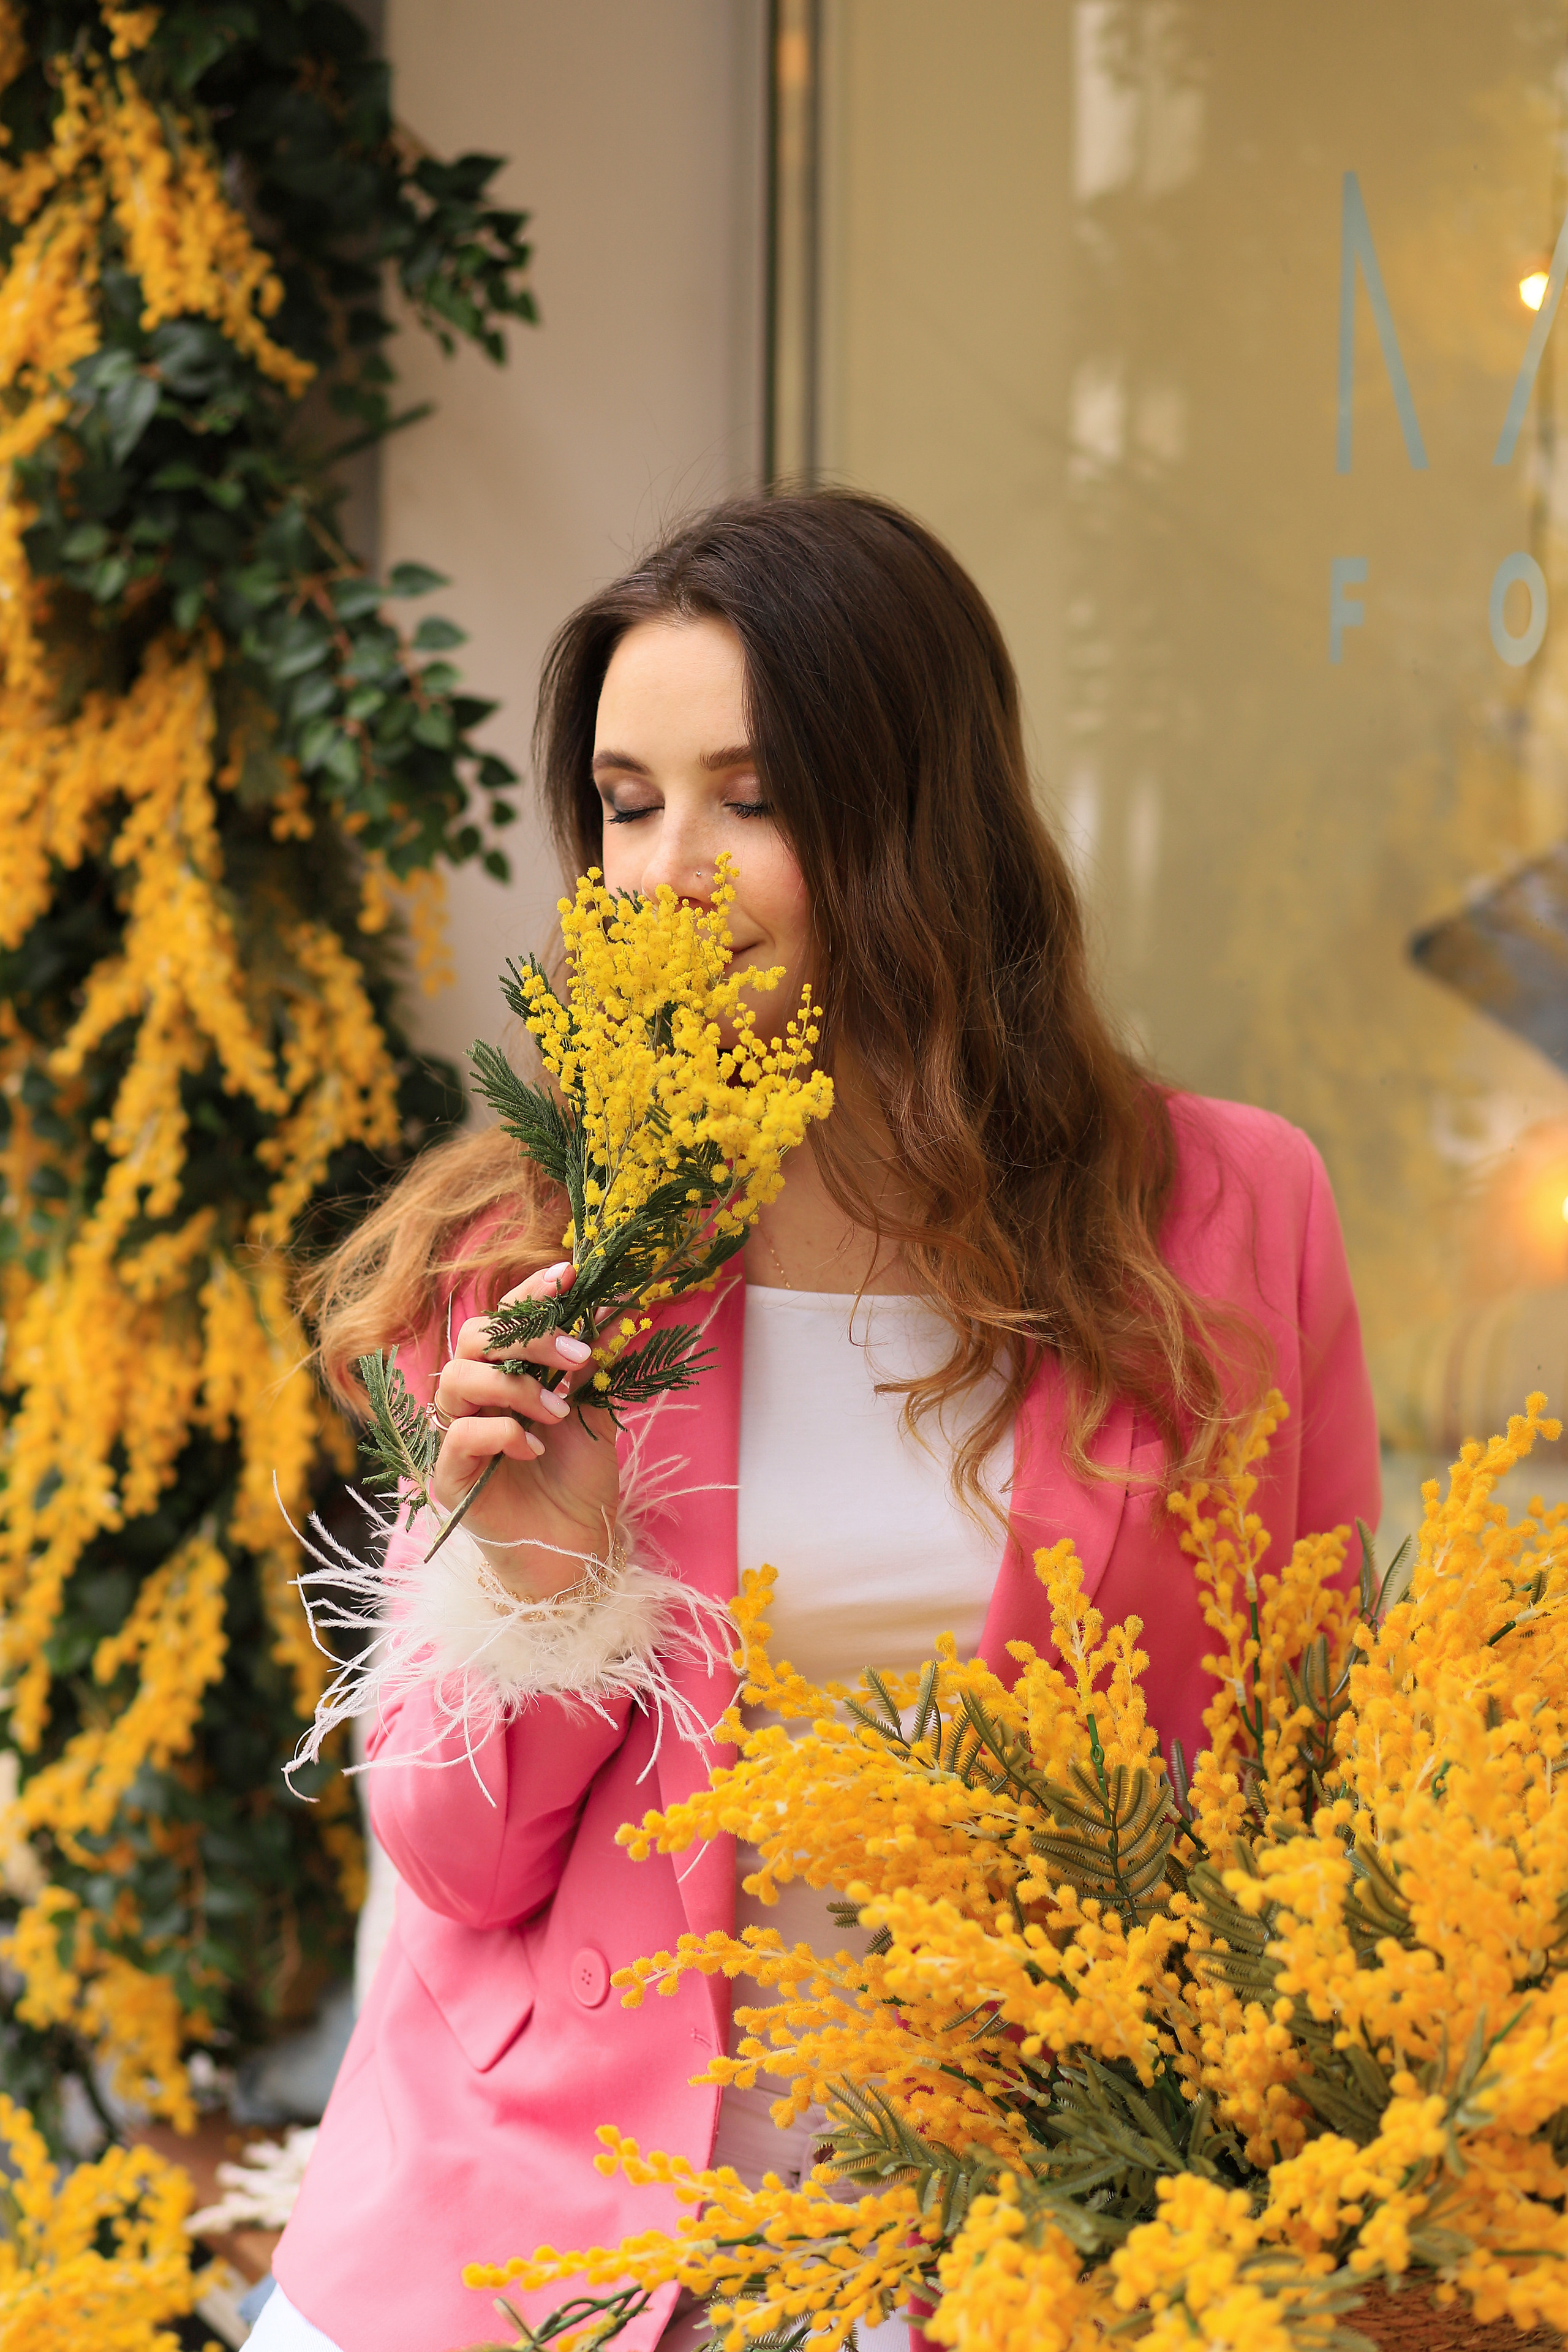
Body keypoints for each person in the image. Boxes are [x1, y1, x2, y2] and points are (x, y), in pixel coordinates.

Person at [254, 491, 1381, 2352]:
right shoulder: (539, 1241)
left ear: (918, 818)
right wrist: (535, 1599)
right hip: (544, 2227)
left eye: (750, 799)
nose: (667, 872)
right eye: (626, 804)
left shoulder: (1230, 1220)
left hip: (1035, 2227)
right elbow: (453, 1868)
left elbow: (1308, 1769)